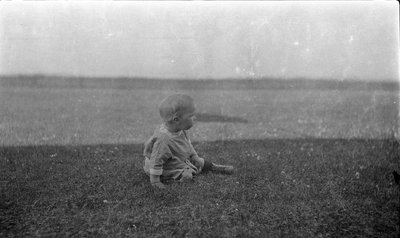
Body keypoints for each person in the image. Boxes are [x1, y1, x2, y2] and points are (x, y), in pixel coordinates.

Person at [143, 94, 234, 189]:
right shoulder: (163, 140)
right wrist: (155, 181)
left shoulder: (180, 129)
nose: (195, 118)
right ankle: (171, 177)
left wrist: (195, 156)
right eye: (191, 115)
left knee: (199, 162)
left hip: (178, 158)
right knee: (187, 175)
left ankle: (214, 167)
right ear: (176, 119)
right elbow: (156, 161)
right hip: (167, 167)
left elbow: (188, 145)